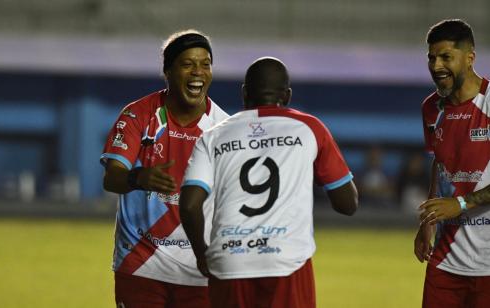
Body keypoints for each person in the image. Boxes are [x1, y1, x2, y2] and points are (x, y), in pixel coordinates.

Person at [179, 57, 358, 308]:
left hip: (229, 261)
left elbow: (188, 205)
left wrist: (202, 254)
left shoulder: (212, 136)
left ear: (244, 93)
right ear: (287, 96)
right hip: (287, 261)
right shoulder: (309, 128)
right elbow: (347, 204)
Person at [100, 30, 228, 308]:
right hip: (140, 264)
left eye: (205, 64)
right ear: (167, 71)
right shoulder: (138, 115)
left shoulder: (223, 129)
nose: (198, 72)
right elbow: (112, 178)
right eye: (187, 64)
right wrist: (138, 177)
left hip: (200, 269)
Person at [414, 19, 490, 308]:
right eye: (432, 58)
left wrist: (458, 205)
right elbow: (440, 164)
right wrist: (428, 222)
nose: (436, 67)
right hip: (446, 261)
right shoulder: (431, 108)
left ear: (470, 58)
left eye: (446, 57)